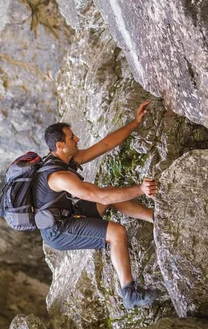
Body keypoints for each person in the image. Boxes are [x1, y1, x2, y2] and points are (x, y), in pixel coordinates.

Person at [36, 101, 158, 309]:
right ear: (60, 146)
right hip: (59, 231)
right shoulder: (58, 176)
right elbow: (100, 198)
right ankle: (129, 293)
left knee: (112, 192)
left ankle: (155, 218)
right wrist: (141, 189)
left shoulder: (63, 160)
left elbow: (105, 145)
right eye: (71, 137)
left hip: (68, 214)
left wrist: (135, 123)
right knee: (116, 232)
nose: (77, 139)